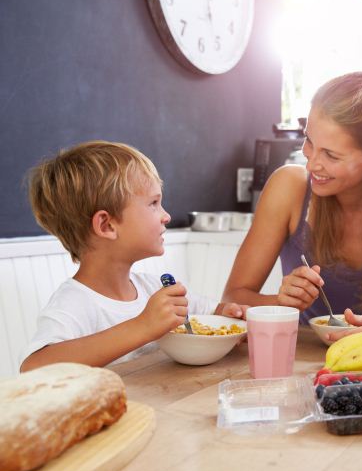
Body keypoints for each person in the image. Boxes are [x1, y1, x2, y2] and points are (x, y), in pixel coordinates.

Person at [222, 72, 362, 343]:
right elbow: (233, 297)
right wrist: (280, 302)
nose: (312, 163)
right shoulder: (289, 186)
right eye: (309, 141)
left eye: (331, 155)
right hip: (297, 353)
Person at [20, 141, 245, 371]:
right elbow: (33, 368)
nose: (166, 216)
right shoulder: (74, 303)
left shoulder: (152, 287)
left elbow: (212, 312)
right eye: (153, 204)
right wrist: (143, 326)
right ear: (107, 225)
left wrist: (228, 314)